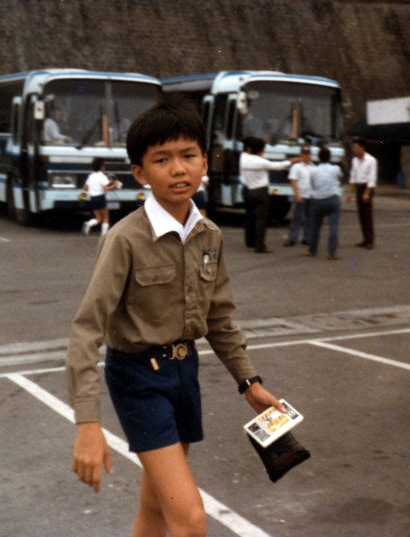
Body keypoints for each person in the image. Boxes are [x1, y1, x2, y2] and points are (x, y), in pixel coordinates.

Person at [66, 97, 287, 537]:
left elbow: (220, 319)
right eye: (161, 160)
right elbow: (86, 330)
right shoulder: (124, 240)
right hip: (138, 380)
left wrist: (250, 382)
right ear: (140, 173)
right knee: (189, 519)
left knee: (155, 509)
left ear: (205, 161)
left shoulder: (210, 235)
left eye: (189, 156)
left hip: (184, 374)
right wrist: (88, 423)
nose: (179, 169)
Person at [239, 137, 299, 253]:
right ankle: (260, 245)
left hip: (247, 190)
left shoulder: (243, 158)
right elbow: (276, 166)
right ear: (259, 151)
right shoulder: (260, 161)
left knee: (249, 216)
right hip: (260, 191)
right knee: (261, 219)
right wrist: (292, 161)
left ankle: (249, 241)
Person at [303, 147, 343, 259]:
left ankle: (312, 250)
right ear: (330, 157)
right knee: (333, 227)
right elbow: (339, 178)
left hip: (317, 200)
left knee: (314, 226)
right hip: (332, 199)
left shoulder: (313, 170)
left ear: (318, 158)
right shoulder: (336, 168)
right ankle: (332, 252)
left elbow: (311, 183)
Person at [346, 138, 378, 249]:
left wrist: (367, 193)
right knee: (361, 215)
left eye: (355, 147)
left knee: (367, 215)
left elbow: (372, 178)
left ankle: (370, 240)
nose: (354, 150)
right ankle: (364, 239)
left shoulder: (371, 160)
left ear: (362, 147)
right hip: (359, 188)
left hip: (366, 187)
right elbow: (352, 177)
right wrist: (350, 192)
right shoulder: (354, 161)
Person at [284, 145, 313, 247]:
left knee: (309, 218)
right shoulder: (297, 167)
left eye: (308, 154)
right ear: (301, 155)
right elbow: (293, 181)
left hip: (310, 195)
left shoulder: (313, 167)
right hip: (300, 195)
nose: (306, 156)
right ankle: (292, 238)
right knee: (297, 218)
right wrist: (297, 194)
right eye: (304, 154)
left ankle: (307, 238)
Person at [81, 158, 119, 236]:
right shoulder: (102, 176)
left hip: (93, 198)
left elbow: (85, 187)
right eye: (104, 165)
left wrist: (93, 188)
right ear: (101, 167)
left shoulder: (91, 176)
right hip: (101, 198)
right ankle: (104, 234)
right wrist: (114, 185)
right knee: (105, 218)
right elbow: (105, 189)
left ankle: (88, 224)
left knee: (98, 219)